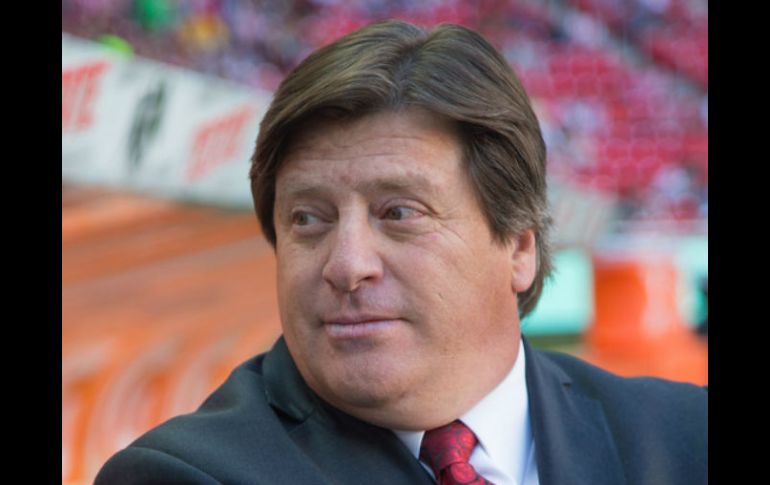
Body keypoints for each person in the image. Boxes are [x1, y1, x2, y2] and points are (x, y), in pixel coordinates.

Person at [95, 20, 707, 485]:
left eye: (399, 213)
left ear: (519, 247)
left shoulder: (688, 438)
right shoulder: (183, 474)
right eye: (308, 220)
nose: (347, 264)